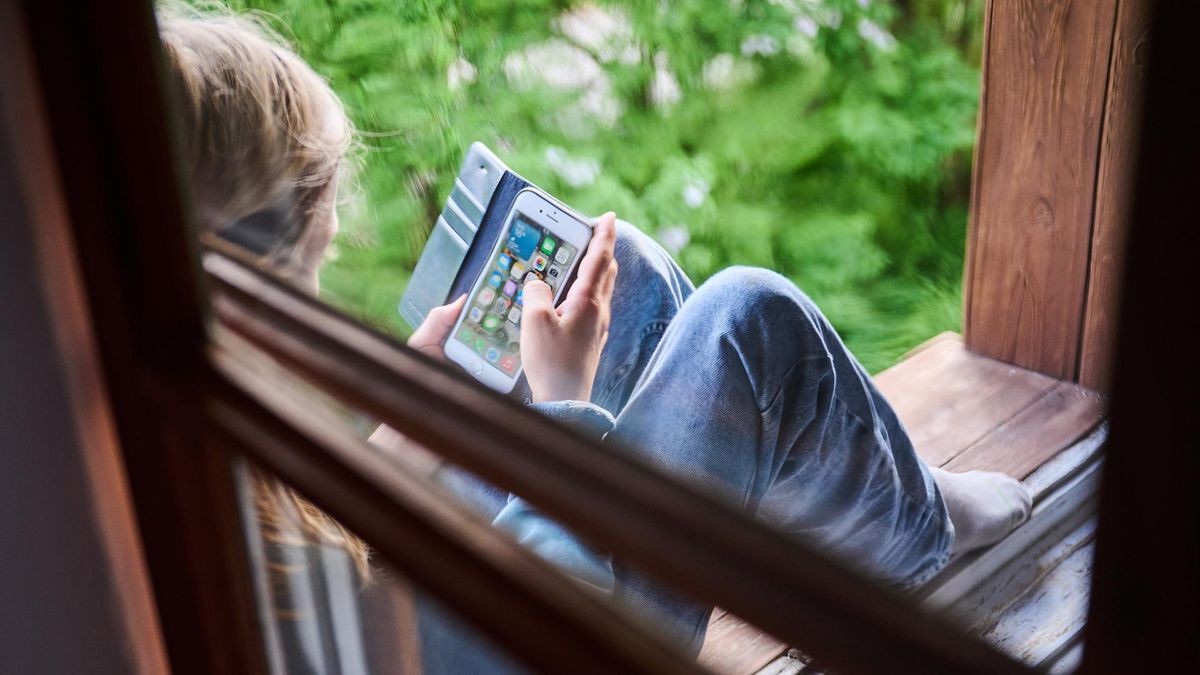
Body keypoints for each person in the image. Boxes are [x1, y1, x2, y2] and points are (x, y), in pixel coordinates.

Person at [159, 8, 1032, 671]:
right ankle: (917, 538)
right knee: (748, 320)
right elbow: (550, 622)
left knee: (631, 277)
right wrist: (562, 407)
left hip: (450, 606)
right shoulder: (250, 540)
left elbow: (355, 544)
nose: (341, 229)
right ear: (256, 263)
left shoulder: (177, 416)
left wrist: (416, 417)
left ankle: (863, 494)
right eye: (318, 240)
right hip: (550, 619)